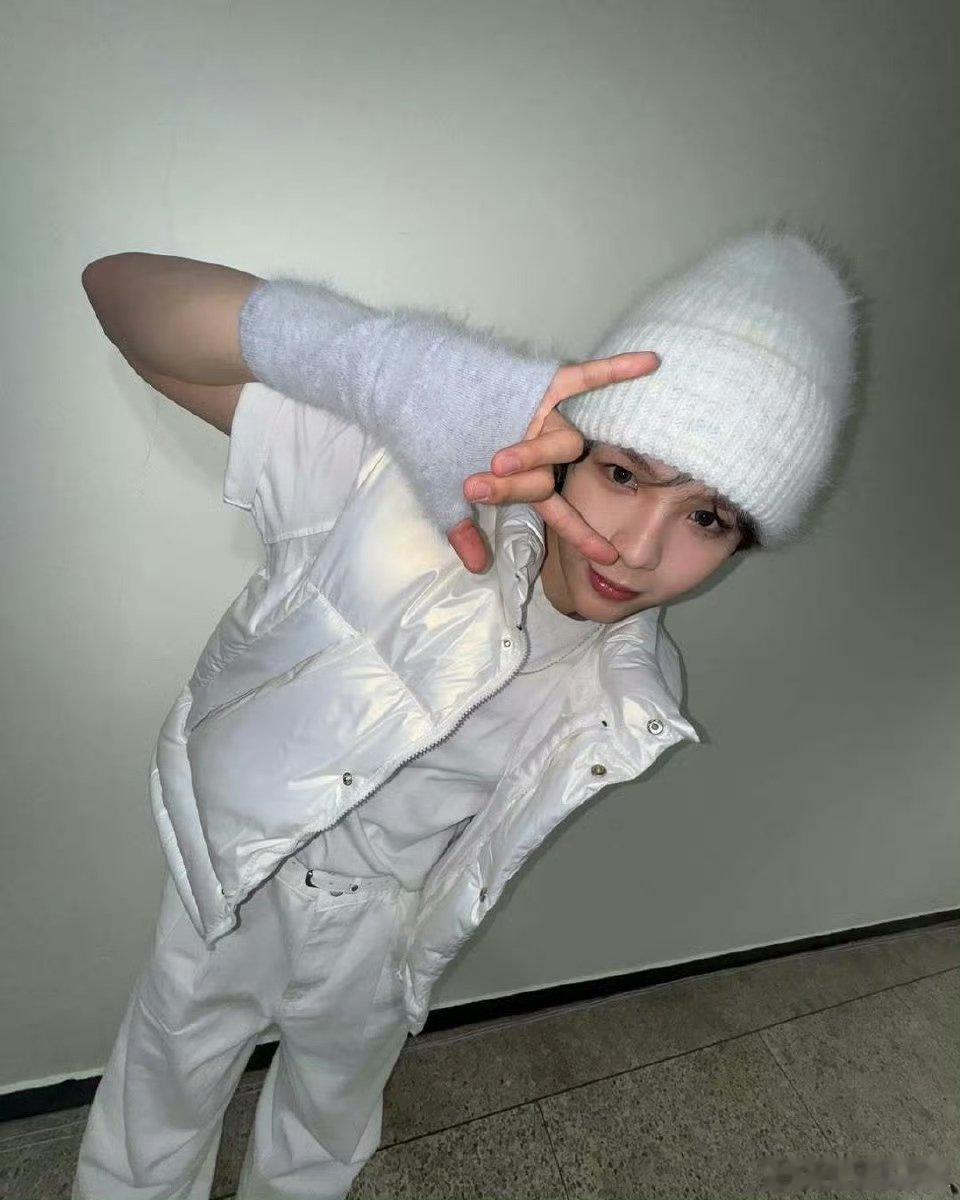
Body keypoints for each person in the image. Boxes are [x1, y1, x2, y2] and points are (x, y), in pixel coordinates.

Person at [72, 224, 859, 1199]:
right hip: (236, 875)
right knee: (156, 1104)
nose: (639, 548)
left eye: (707, 517)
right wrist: (384, 364)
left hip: (385, 937)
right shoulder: (389, 486)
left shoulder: (634, 697)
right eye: (625, 473)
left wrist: (409, 944)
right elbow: (119, 293)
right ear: (571, 445)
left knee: (325, 1132)